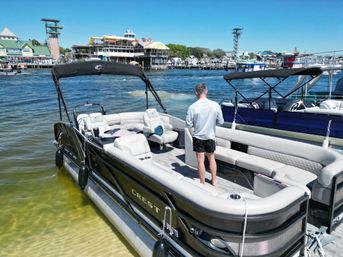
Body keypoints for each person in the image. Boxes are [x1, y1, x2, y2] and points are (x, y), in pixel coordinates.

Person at [186, 83, 224, 186]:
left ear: (196, 93)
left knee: (200, 160)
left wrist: (194, 132)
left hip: (198, 137)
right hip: (210, 136)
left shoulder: (192, 107)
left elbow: (189, 124)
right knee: (211, 158)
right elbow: (221, 122)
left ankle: (202, 182)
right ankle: (214, 181)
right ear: (206, 91)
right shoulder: (215, 105)